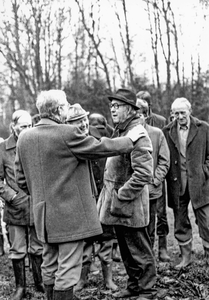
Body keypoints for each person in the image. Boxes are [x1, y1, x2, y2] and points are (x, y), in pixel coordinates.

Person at [14, 89, 145, 300]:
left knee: (50, 262)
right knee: (67, 268)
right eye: (65, 105)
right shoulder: (66, 133)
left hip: (42, 216)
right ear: (58, 110)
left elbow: (21, 181)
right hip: (69, 217)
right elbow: (100, 147)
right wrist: (130, 140)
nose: (67, 108)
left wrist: (43, 192)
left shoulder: (24, 138)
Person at [98, 88, 157, 300]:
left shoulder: (138, 133)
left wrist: (122, 195)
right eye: (111, 106)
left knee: (140, 249)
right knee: (125, 248)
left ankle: (147, 289)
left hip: (129, 205)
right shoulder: (122, 130)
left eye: (117, 106)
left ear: (130, 109)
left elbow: (143, 173)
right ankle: (134, 286)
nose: (112, 109)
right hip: (119, 206)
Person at [66, 105, 118, 291]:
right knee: (85, 240)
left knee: (106, 237)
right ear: (68, 124)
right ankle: (82, 278)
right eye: (77, 121)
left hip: (103, 194)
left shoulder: (103, 135)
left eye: (84, 119)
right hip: (81, 197)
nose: (83, 124)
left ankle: (108, 279)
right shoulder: (68, 141)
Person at [0, 110, 44, 300]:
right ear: (13, 127)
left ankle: (39, 282)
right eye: (23, 126)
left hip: (35, 206)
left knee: (38, 248)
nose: (27, 129)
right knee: (17, 249)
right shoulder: (2, 149)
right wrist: (11, 196)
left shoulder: (37, 144)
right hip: (15, 209)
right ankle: (20, 287)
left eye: (29, 126)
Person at [163, 97, 209, 269]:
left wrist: (205, 171)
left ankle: (208, 252)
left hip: (201, 182)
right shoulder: (167, 131)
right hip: (177, 183)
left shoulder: (203, 128)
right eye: (176, 113)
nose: (180, 117)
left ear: (190, 112)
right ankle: (186, 257)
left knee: (206, 220)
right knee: (180, 221)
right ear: (172, 114)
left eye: (183, 112)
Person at [136, 91, 170, 262]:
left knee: (160, 214)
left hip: (155, 183)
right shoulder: (128, 130)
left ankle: (162, 248)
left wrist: (156, 180)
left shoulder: (159, 126)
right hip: (136, 186)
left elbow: (164, 157)